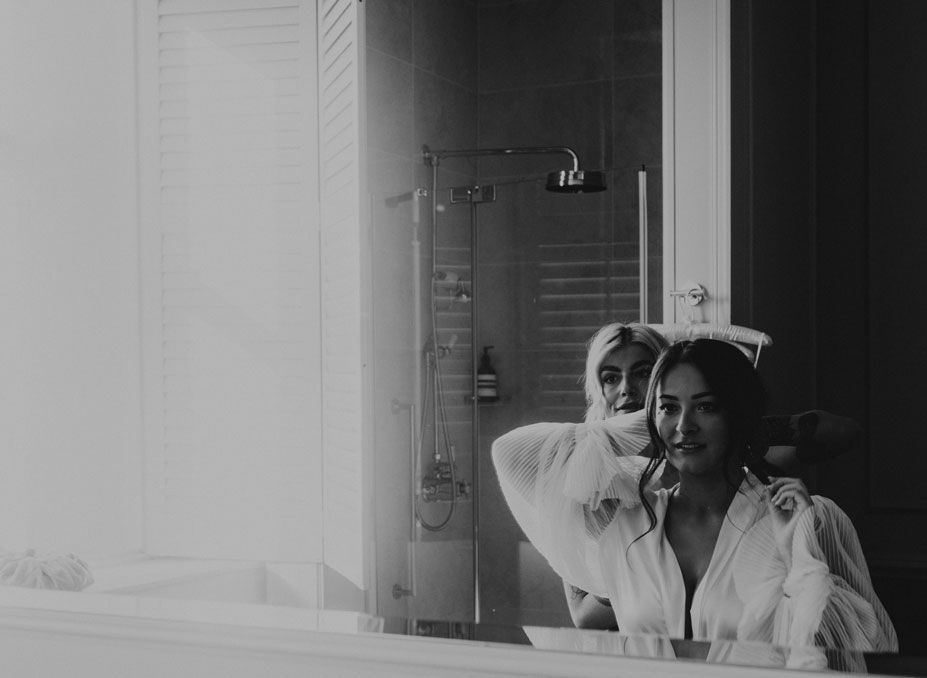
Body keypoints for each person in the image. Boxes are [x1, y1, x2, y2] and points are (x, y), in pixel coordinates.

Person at [492, 339, 896, 651]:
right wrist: (648, 422)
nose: (684, 426)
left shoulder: (800, 518)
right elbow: (510, 453)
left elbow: (856, 651)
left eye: (707, 407)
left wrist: (798, 556)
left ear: (737, 413)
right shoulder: (627, 521)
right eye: (669, 407)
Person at [563, 322, 861, 630]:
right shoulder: (599, 491)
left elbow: (842, 432)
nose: (626, 388)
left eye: (641, 372)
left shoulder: (757, 475)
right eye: (610, 377)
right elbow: (583, 614)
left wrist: (744, 426)